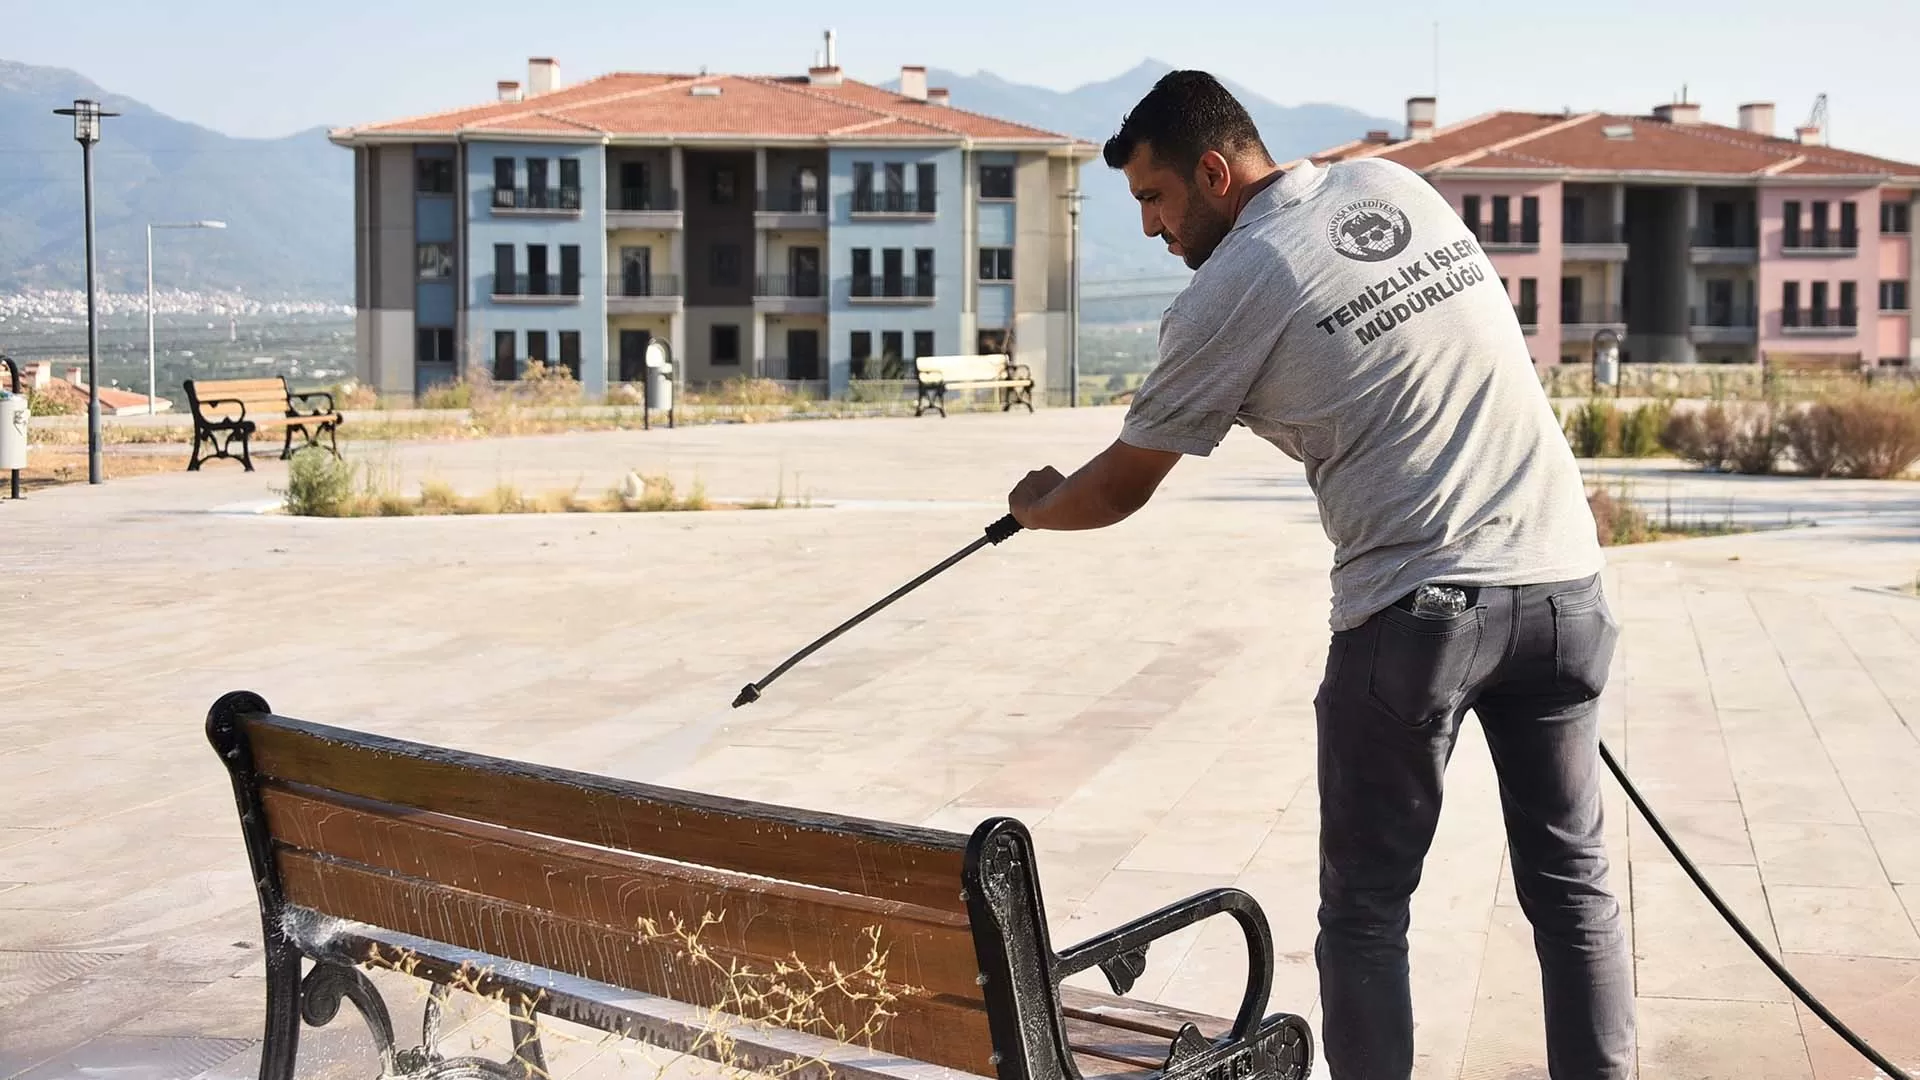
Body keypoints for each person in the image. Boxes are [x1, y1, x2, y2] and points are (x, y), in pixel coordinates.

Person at [1005, 71, 1633, 1080]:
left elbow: (1121, 486)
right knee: (1575, 890)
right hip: (1565, 590)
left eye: (1155, 199)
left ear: (1214, 172)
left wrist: (1038, 507)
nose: (1156, 229)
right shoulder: (1394, 185)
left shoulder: (1234, 282)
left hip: (1419, 616)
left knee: (1366, 910)